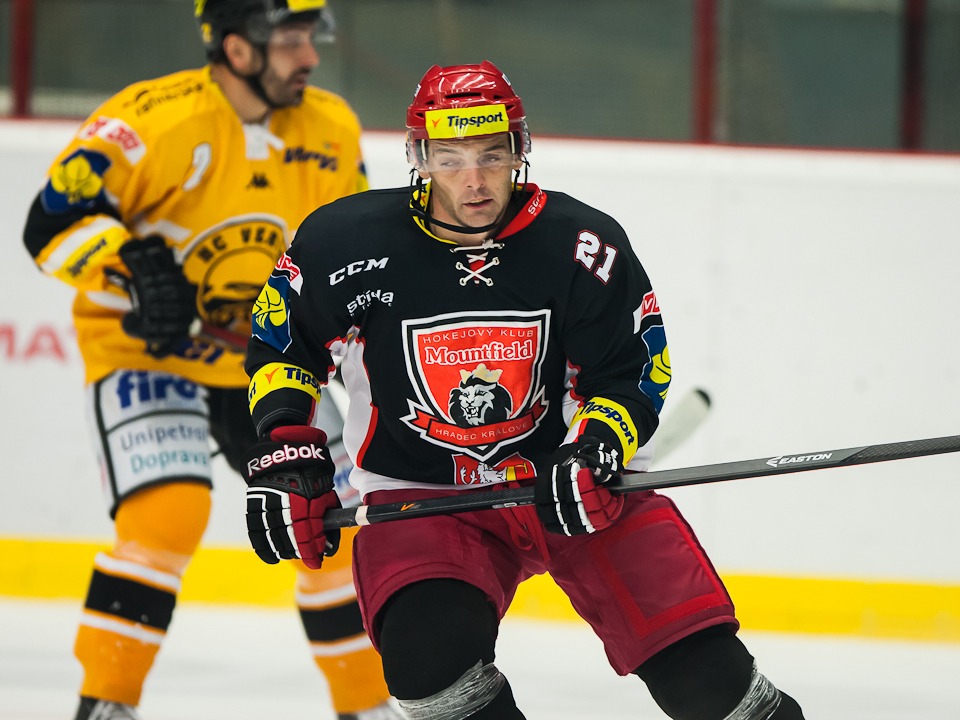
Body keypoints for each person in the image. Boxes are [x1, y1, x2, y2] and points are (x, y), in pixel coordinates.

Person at [238, 59, 807, 720]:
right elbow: (283, 346)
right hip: (427, 497)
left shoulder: (582, 245)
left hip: (576, 486)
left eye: (492, 154)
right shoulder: (343, 243)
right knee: (430, 674)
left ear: (520, 148)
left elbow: (632, 370)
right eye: (451, 158)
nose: (474, 180)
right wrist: (290, 449)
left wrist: (598, 443)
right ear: (420, 157)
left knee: (715, 689)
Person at [21, 1, 399, 719]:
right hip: (147, 355)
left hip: (269, 364)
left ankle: (367, 705)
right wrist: (130, 269)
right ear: (237, 47)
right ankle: (106, 704)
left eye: (309, 38)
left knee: (333, 523)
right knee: (167, 516)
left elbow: (354, 260)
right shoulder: (147, 123)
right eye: (290, 39)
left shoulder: (332, 127)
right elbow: (51, 223)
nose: (310, 56)